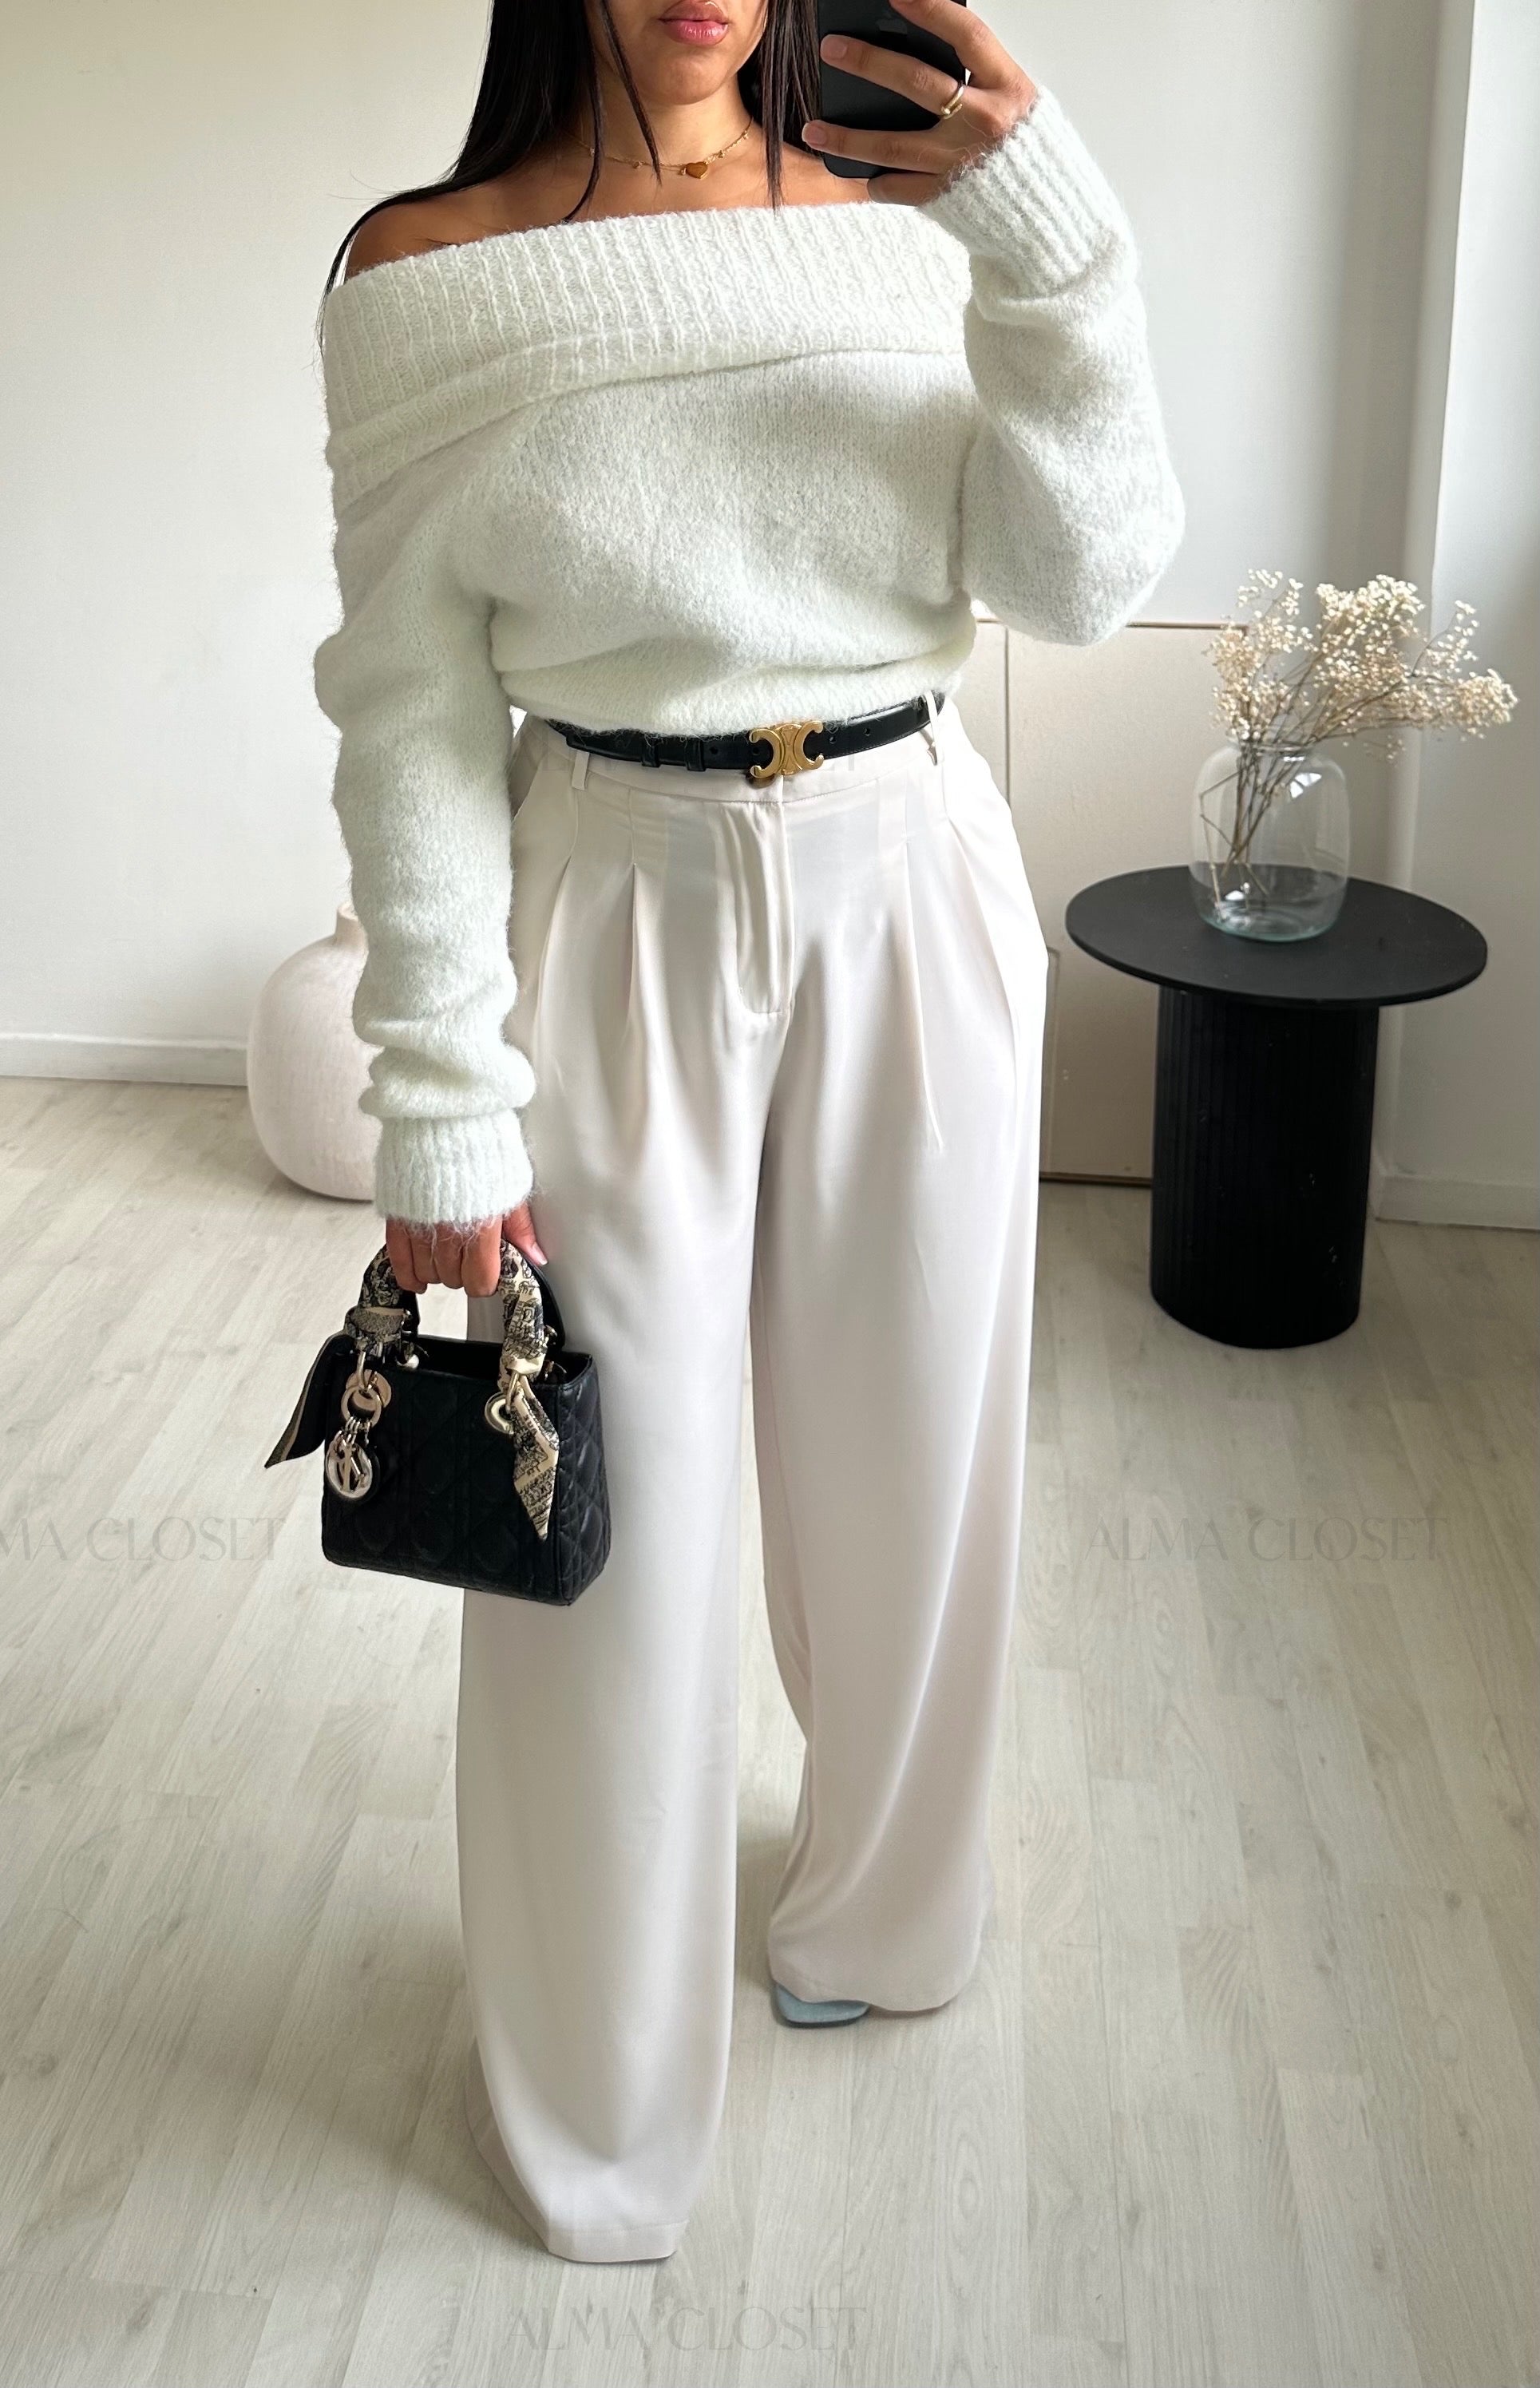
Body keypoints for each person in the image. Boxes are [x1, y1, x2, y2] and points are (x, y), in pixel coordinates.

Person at [312, 0, 1183, 2265]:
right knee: (608, 1524)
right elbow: (408, 714)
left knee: (918, 1455)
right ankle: (595, 2100)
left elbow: (1079, 579)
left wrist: (1054, 249)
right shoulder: (425, 273)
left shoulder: (918, 221)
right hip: (609, 892)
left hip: (913, 863)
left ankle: (886, 1915)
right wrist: (437, 1101)